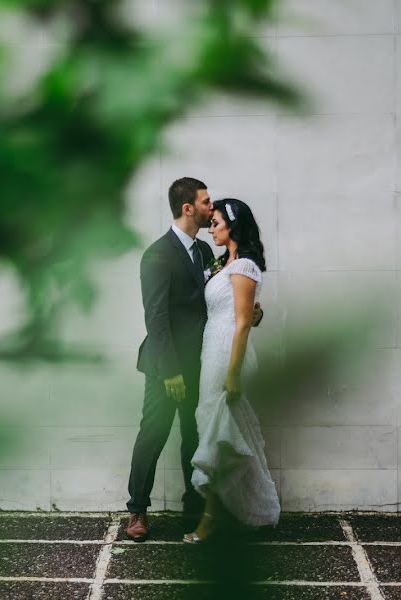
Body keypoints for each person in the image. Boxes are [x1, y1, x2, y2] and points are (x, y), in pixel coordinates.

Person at [125, 179, 262, 542]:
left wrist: (251, 312)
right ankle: (137, 509)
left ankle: (193, 507)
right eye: (205, 202)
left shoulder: (204, 252)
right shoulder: (156, 254)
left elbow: (221, 301)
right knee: (152, 434)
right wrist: (169, 370)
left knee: (193, 436)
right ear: (188, 208)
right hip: (164, 365)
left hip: (202, 363)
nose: (210, 207)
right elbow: (155, 318)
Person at [183, 198, 280, 543]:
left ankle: (209, 524)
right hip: (214, 348)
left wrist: (234, 374)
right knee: (222, 434)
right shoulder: (226, 264)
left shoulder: (245, 266)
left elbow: (241, 323)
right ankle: (247, 512)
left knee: (221, 439)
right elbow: (246, 311)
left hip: (228, 353)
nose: (211, 229)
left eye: (217, 223)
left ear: (233, 226)